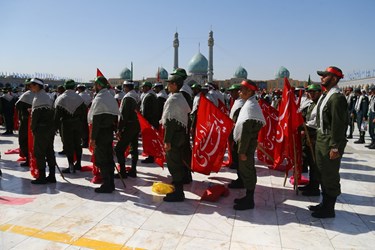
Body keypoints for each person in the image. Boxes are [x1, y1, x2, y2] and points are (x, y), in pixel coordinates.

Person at [309, 66, 348, 218]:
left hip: (330, 141)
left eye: (325, 76)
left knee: (330, 174)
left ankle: (329, 209)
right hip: (321, 139)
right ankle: (324, 203)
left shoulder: (336, 98)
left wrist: (335, 147)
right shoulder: (327, 96)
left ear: (334, 78)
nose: (322, 78)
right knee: (321, 172)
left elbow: (338, 125)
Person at [232, 80, 265, 210]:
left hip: (246, 146)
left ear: (250, 91)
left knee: (248, 171)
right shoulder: (249, 104)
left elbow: (246, 132)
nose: (239, 92)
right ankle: (247, 197)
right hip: (246, 145)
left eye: (242, 89)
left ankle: (249, 200)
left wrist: (242, 151)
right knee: (247, 171)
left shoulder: (250, 107)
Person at [161, 74, 192, 202]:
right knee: (177, 162)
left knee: (174, 164)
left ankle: (178, 193)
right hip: (180, 136)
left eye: (169, 83)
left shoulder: (173, 100)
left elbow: (171, 122)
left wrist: (167, 140)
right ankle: (178, 191)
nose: (167, 86)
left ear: (174, 85)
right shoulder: (180, 98)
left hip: (173, 137)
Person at [88, 76, 119, 193]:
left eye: (95, 85)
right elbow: (116, 117)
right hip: (108, 132)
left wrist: (93, 138)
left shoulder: (99, 99)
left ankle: (107, 184)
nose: (94, 87)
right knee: (109, 158)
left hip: (100, 133)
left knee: (101, 159)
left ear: (99, 85)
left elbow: (96, 121)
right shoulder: (110, 97)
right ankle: (111, 183)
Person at [54, 80, 87, 173]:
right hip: (77, 123)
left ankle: (71, 166)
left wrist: (54, 127)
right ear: (74, 87)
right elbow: (84, 112)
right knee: (77, 144)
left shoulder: (62, 98)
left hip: (66, 124)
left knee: (68, 145)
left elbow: (57, 115)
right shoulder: (79, 98)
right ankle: (79, 164)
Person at [29, 78, 57, 184]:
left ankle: (42, 177)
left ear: (37, 86)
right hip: (49, 129)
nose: (30, 87)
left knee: (39, 152)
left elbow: (36, 117)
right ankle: (52, 175)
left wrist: (33, 129)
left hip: (41, 130)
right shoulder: (47, 96)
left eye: (31, 85)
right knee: (49, 151)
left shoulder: (39, 98)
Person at [298, 83, 322, 196]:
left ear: (319, 93)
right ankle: (311, 184)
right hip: (308, 136)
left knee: (314, 163)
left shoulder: (320, 104)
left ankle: (315, 188)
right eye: (309, 92)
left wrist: (303, 126)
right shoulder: (312, 104)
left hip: (315, 136)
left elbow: (316, 122)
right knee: (310, 162)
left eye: (313, 92)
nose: (311, 94)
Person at [114, 81, 140, 179]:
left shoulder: (128, 98)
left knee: (119, 149)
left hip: (129, 126)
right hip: (136, 125)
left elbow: (124, 115)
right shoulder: (136, 96)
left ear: (125, 87)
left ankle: (123, 172)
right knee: (134, 148)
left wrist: (119, 129)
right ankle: (133, 170)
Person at [15, 79, 35, 167]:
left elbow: (17, 106)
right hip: (36, 122)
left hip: (26, 122)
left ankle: (28, 159)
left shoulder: (26, 95)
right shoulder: (40, 95)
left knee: (24, 140)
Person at [227, 83, 244, 176]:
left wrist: (234, 137)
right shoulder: (237, 102)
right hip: (234, 133)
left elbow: (237, 121)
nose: (231, 94)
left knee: (238, 156)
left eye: (232, 92)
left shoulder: (240, 104)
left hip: (237, 134)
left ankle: (241, 179)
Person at [140, 81, 158, 164]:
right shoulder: (151, 95)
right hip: (152, 121)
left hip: (149, 122)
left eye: (144, 87)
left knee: (150, 141)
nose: (142, 89)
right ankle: (151, 156)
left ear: (147, 87)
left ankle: (151, 157)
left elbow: (147, 111)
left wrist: (145, 121)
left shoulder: (149, 97)